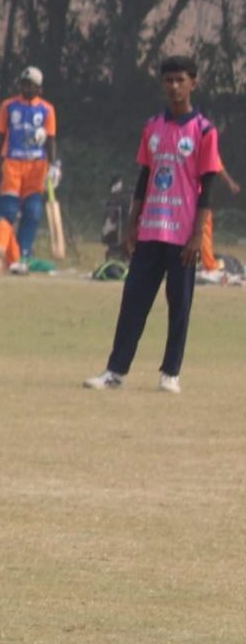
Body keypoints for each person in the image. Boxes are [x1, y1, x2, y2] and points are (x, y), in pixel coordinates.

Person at [86, 56, 222, 394]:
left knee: (179, 305)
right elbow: (144, 177)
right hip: (150, 230)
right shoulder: (152, 127)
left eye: (180, 80)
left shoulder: (204, 130)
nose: (174, 86)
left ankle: (170, 372)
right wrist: (132, 224)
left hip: (182, 234)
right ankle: (115, 371)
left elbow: (207, 188)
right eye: (168, 80)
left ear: (193, 83)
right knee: (133, 301)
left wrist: (197, 235)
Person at [0, 68, 57, 256]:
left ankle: (23, 252)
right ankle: (2, 249)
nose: (26, 88)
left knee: (33, 211)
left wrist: (54, 165)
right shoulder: (8, 106)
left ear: (39, 89)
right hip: (12, 162)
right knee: (8, 210)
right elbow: (0, 135)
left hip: (37, 166)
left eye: (30, 85)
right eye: (24, 84)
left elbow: (51, 139)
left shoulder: (46, 109)